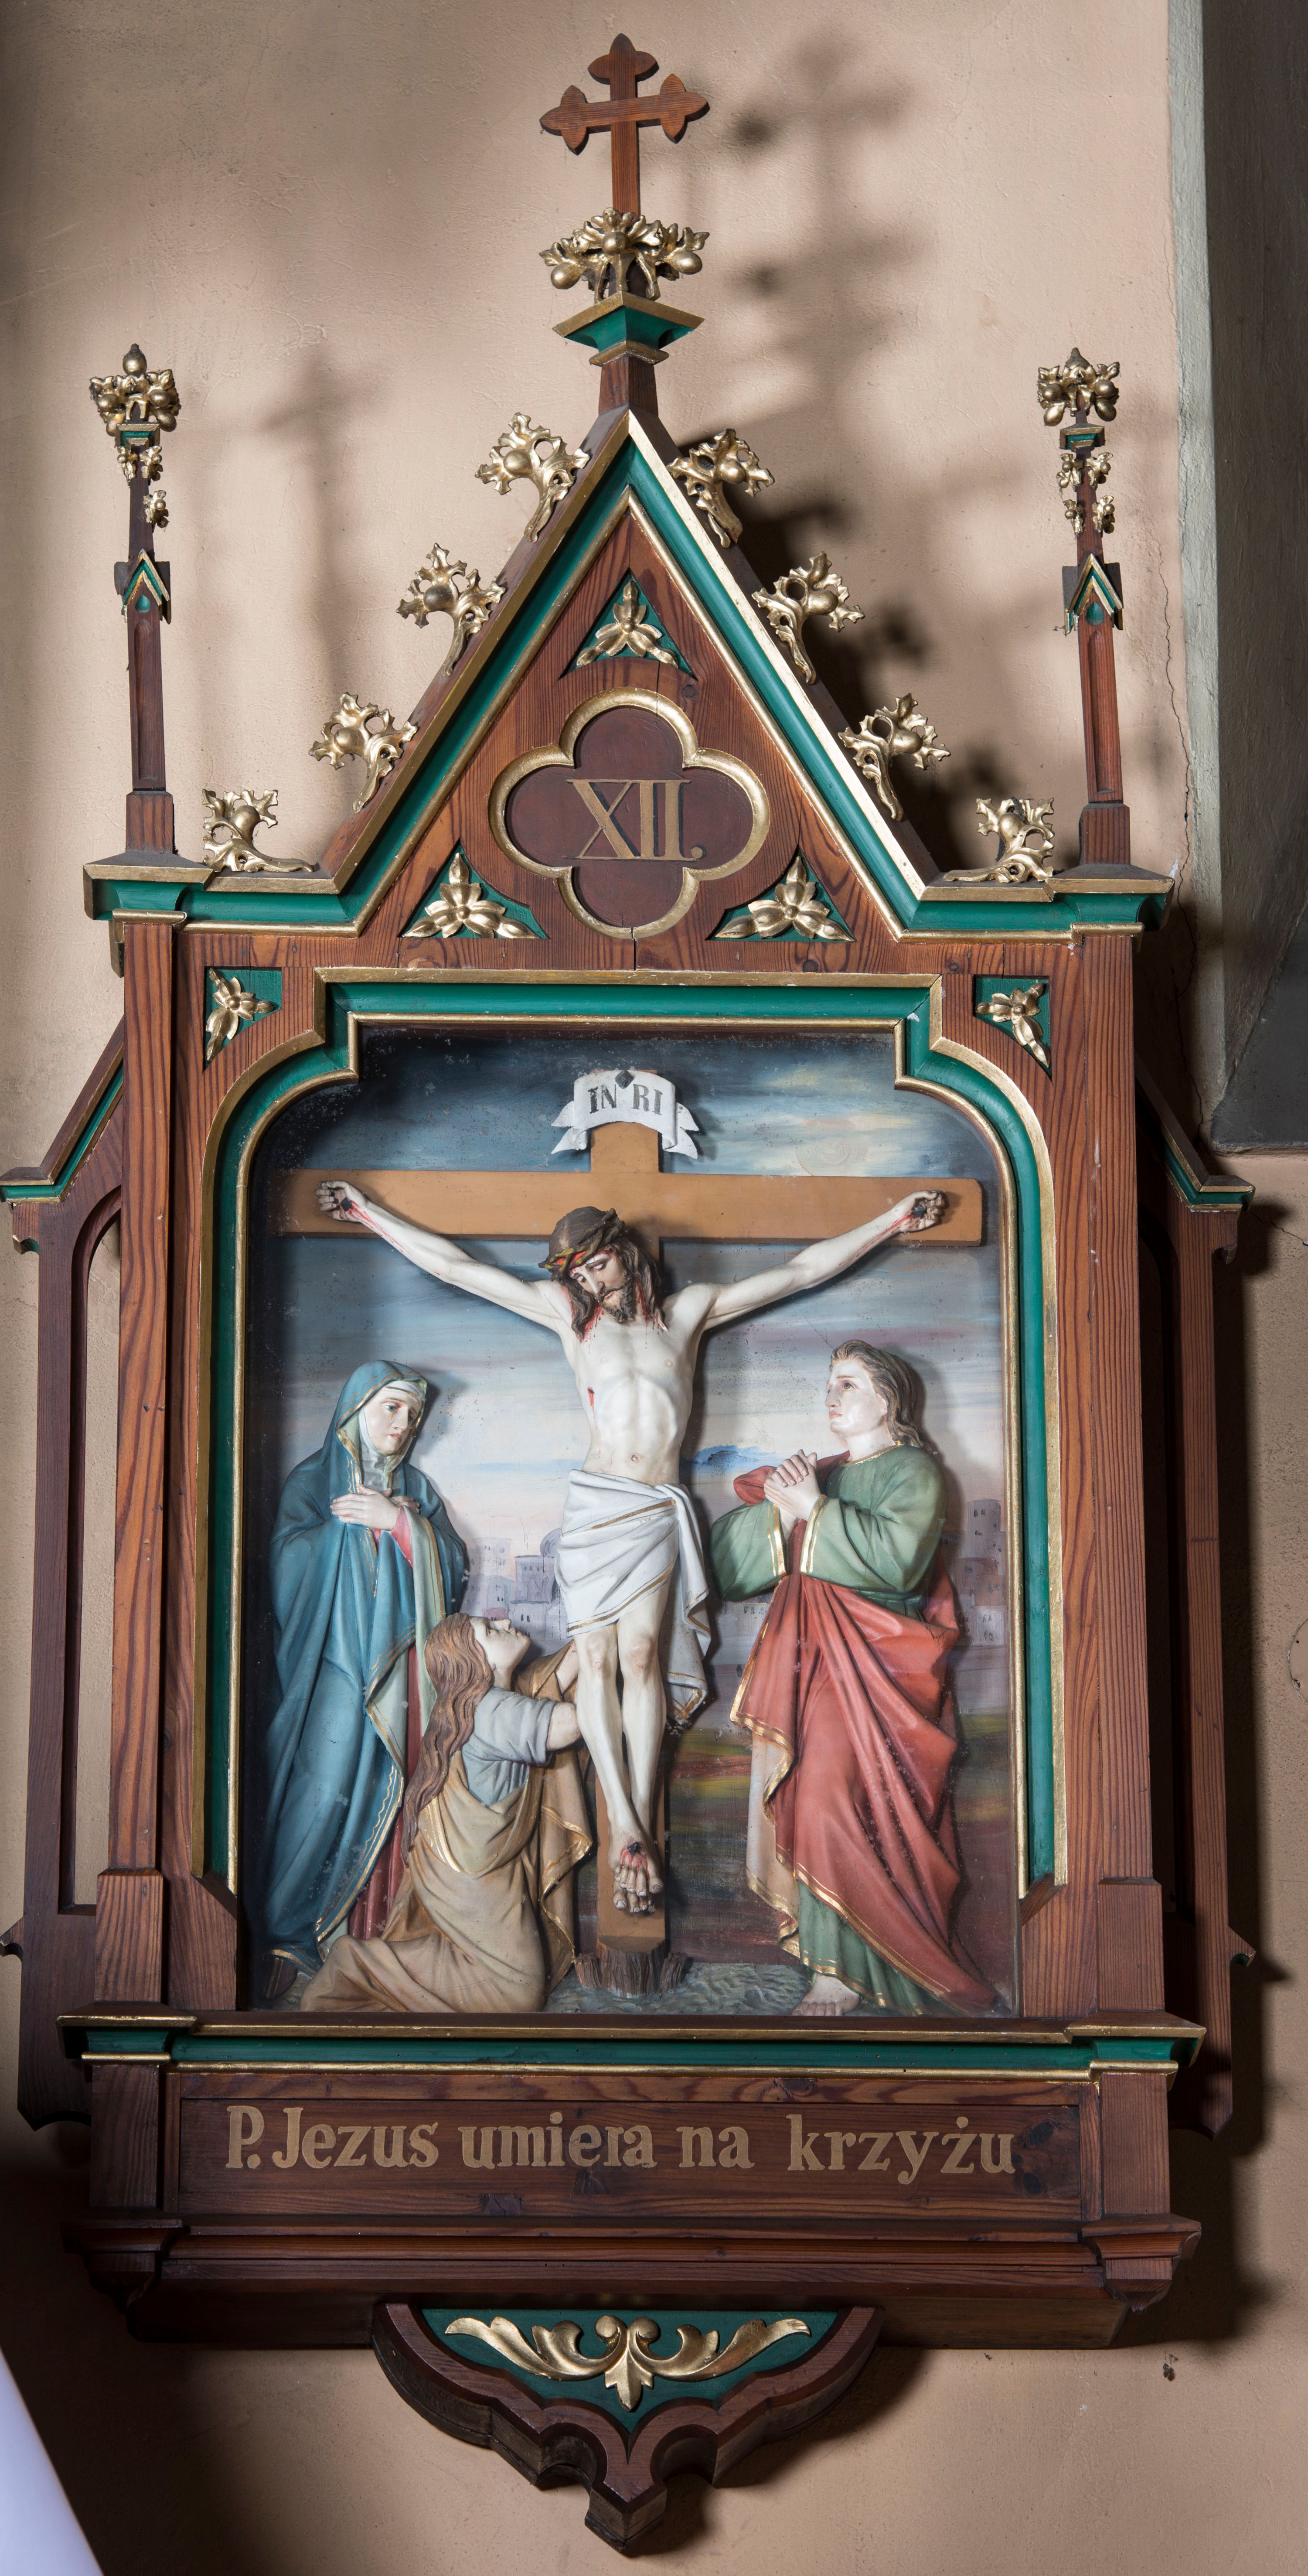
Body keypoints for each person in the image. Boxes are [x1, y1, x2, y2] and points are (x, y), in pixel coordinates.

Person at [317, 1179, 944, 1919]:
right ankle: (626, 1825)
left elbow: (801, 1271)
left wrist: (893, 1221)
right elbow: (459, 1268)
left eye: (597, 1264)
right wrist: (366, 1213)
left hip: (654, 1509)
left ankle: (637, 1817)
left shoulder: (687, 1314)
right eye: (577, 1273)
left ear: (624, 1251)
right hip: (596, 1507)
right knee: (598, 1662)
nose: (590, 1281)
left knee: (643, 1658)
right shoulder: (570, 1320)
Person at [710, 1341, 994, 2019]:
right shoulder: (821, 1477)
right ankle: (829, 1961)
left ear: (888, 1399)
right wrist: (786, 1510)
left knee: (828, 1797)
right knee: (809, 1792)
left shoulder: (913, 1470)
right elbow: (729, 1568)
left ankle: (855, 1964)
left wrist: (814, 1507)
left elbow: (898, 1562)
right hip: (813, 1667)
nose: (832, 1395)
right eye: (830, 1383)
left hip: (880, 1669)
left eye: (849, 1383)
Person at [257, 1363, 468, 1996]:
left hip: (401, 1670)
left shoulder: (417, 1488)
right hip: (334, 1666)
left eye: (413, 1415)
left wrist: (402, 1525)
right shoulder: (311, 1481)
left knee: (396, 1792)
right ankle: (288, 1928)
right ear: (356, 1409)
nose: (404, 1425)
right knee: (322, 1792)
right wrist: (350, 1529)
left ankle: (372, 1929)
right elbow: (285, 1566)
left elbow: (453, 1566)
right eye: (392, 1408)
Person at [297, 1614, 591, 2013]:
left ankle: (385, 1965)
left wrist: (600, 1629)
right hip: (476, 1880)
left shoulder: (485, 1702)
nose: (505, 1620)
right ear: (477, 1661)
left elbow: (563, 1667)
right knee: (517, 1992)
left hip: (481, 1879)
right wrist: (604, 1669)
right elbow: (573, 1724)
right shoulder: (489, 1710)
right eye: (490, 1629)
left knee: (509, 1985)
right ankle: (356, 1966)